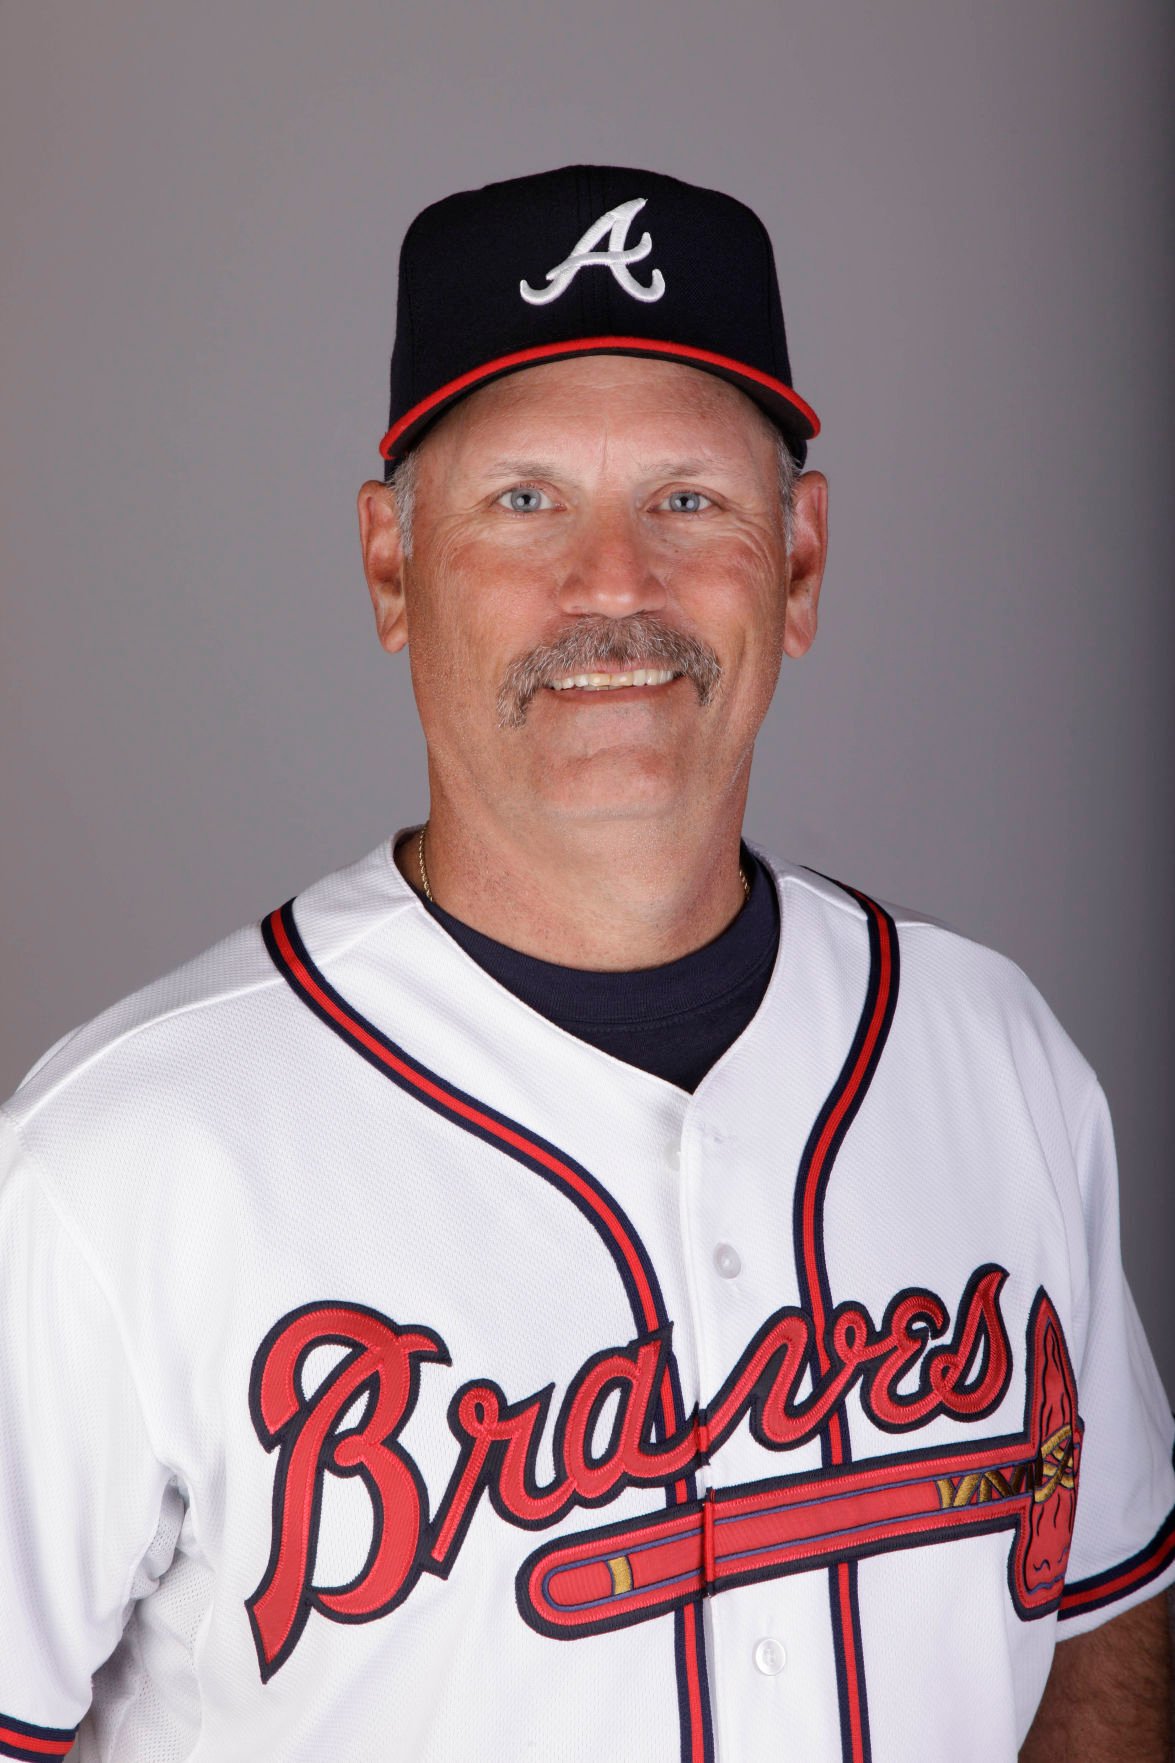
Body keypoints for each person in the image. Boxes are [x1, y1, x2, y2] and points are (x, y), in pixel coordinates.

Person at [0, 164, 1171, 1763]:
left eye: (688, 499)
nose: (612, 584)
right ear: (392, 568)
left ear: (802, 559)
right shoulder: (115, 1163)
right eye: (524, 500)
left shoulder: (996, 1058)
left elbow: (1105, 1615)